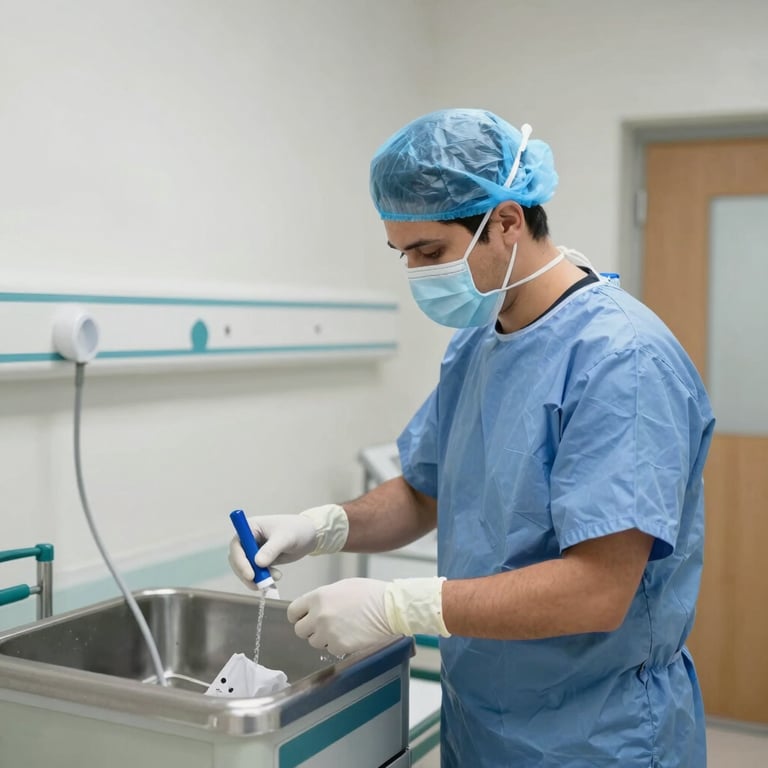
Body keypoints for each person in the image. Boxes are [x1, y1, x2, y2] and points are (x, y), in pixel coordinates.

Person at [229, 109, 714, 767]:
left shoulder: (622, 361)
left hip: (599, 735)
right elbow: (425, 492)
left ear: (507, 222)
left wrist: (399, 606)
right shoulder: (478, 345)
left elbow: (599, 590)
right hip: (484, 724)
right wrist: (318, 528)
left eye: (430, 252)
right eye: (404, 253)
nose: (416, 272)